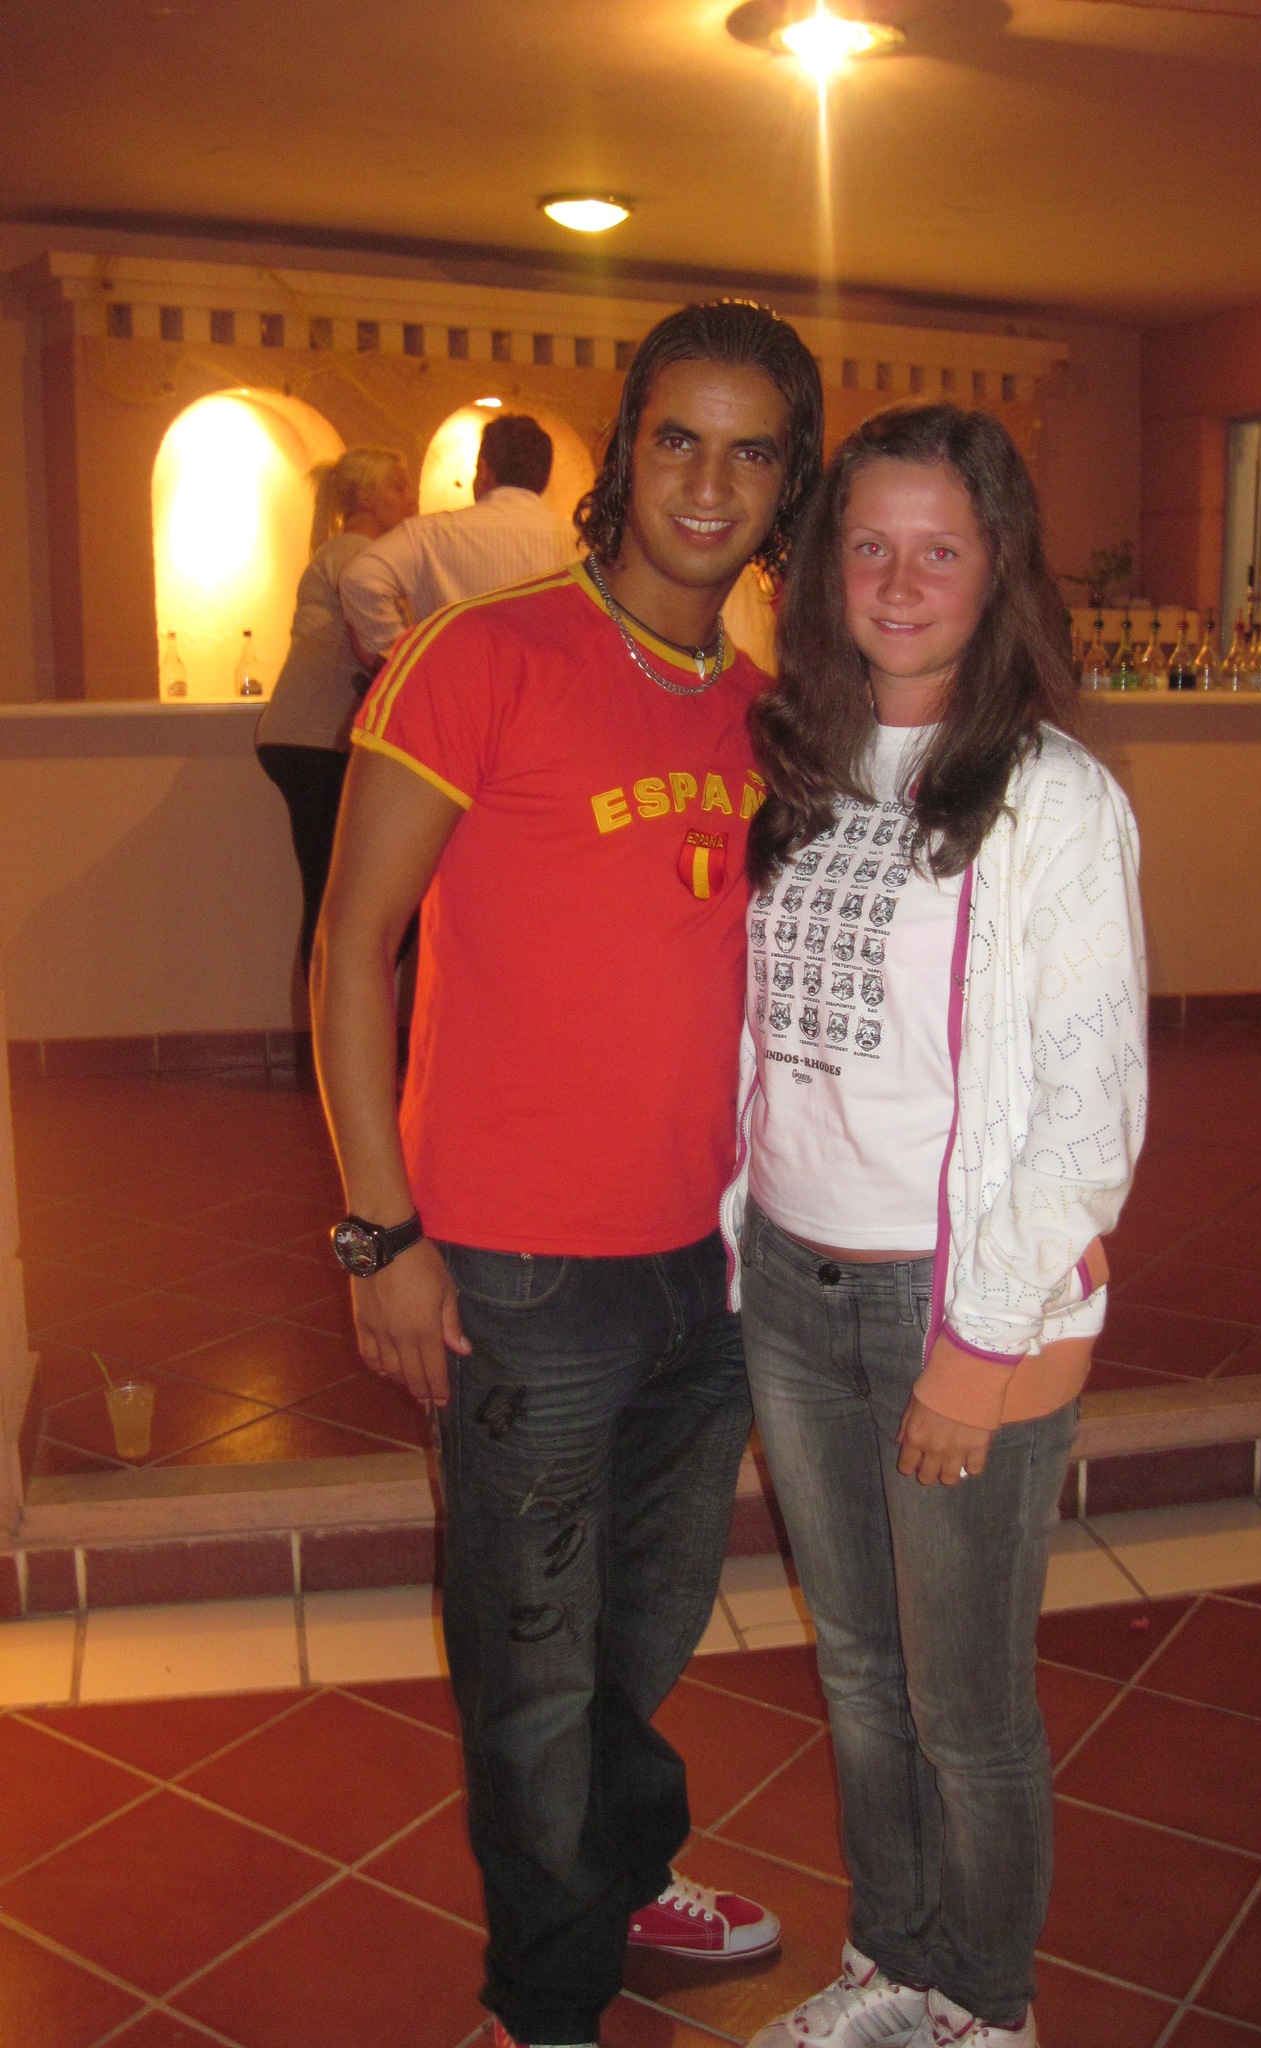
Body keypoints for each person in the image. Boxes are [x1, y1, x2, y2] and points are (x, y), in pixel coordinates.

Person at [309, 301, 825, 2048]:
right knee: (531, 1660)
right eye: (678, 438)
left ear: (787, 487)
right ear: (625, 452)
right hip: (519, 1273)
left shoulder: (767, 713)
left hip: (709, 1263)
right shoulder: (483, 656)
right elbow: (349, 949)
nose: (709, 482)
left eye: (751, 451)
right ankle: (548, 2002)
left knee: (639, 1629)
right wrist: (381, 1231)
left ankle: (622, 1871)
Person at [724, 405, 1147, 2048]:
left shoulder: (1053, 799)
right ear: (825, 571)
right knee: (855, 1671)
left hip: (956, 1302)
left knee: (963, 1703)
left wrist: (978, 1353)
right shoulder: (797, 773)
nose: (899, 583)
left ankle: (986, 2002)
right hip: (792, 1282)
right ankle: (893, 1964)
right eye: (868, 547)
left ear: (997, 573)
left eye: (939, 550)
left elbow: (1088, 1110)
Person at [255, 446, 415, 973]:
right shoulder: (358, 556)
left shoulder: (343, 551)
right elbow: (376, 649)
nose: (411, 497)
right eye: (397, 485)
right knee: (340, 897)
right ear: (366, 496)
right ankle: (334, 1018)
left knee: (334, 894)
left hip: (305, 737)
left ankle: (331, 1016)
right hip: (318, 740)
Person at [339, 411, 574, 664]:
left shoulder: (429, 533)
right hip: (546, 685)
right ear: (543, 477)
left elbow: (360, 578)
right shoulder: (579, 544)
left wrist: (405, 656)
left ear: (483, 470)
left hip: (450, 682)